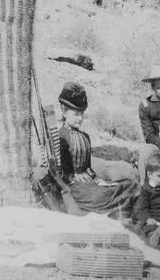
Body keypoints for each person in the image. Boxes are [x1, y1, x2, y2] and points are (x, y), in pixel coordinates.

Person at [57, 81, 138, 218]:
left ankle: (122, 209)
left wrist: (99, 181)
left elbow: (88, 168)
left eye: (82, 114)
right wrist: (74, 179)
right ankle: (118, 210)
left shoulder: (85, 136)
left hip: (91, 183)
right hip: (76, 189)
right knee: (105, 194)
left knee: (129, 184)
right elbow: (62, 173)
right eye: (76, 114)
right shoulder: (60, 136)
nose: (80, 119)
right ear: (64, 111)